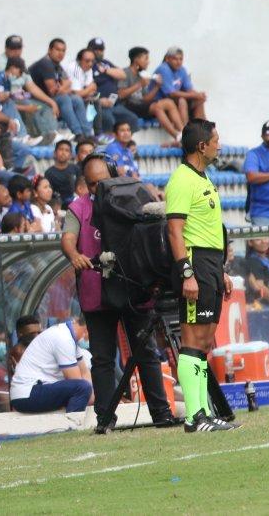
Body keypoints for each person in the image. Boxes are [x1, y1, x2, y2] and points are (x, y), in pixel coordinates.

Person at [63, 153, 177, 431]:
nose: (97, 188)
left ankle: (161, 412)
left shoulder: (134, 197)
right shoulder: (78, 207)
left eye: (102, 181)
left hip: (133, 287)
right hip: (97, 289)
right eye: (92, 184)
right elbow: (67, 238)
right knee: (102, 358)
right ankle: (105, 418)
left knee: (145, 351)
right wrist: (74, 255)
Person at [166, 119, 238, 432]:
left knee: (204, 341)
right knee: (193, 340)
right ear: (201, 145)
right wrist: (187, 273)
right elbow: (175, 231)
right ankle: (194, 417)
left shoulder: (203, 177)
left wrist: (220, 270)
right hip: (194, 262)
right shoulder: (182, 179)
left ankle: (203, 413)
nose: (219, 145)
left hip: (210, 264)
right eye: (216, 140)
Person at [8, 319, 93, 416]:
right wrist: (91, 396)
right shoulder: (63, 338)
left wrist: (94, 398)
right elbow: (76, 380)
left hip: (36, 390)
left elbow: (84, 373)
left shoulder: (69, 337)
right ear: (87, 330)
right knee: (81, 387)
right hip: (27, 393)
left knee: (83, 387)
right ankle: (72, 423)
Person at [243, 119, 269, 226]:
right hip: (263, 213)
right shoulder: (254, 154)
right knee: (264, 238)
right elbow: (251, 176)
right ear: (262, 136)